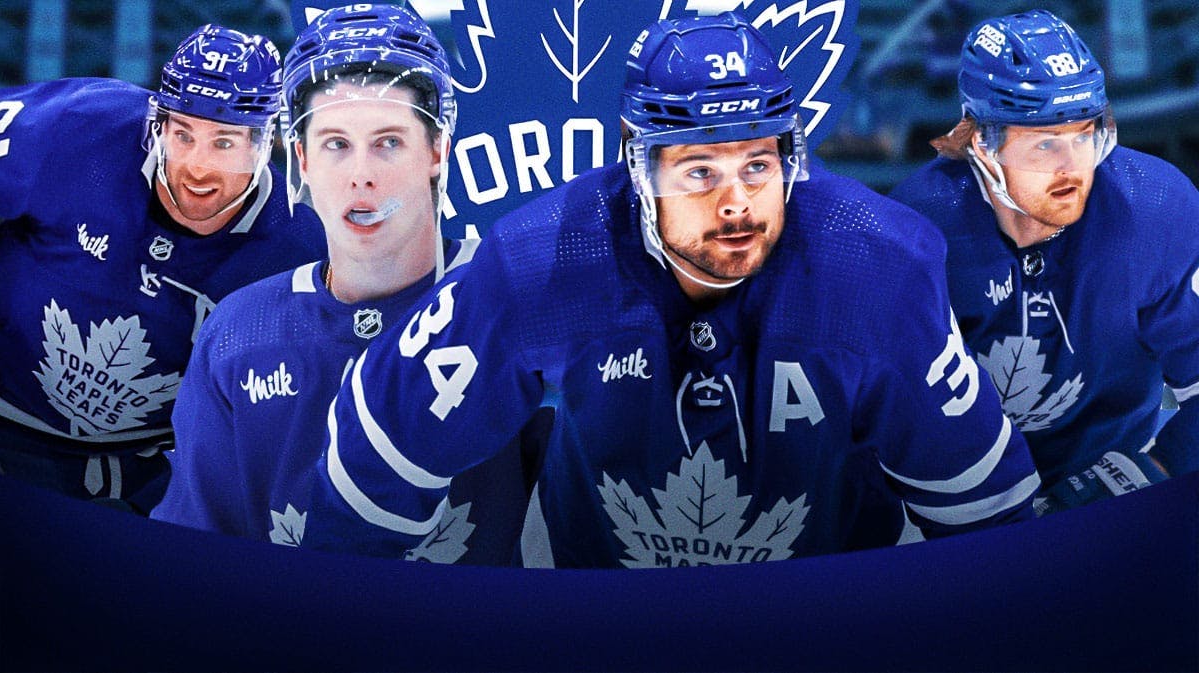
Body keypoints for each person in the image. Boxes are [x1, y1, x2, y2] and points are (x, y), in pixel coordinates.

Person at [303, 11, 1041, 567]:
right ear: (638, 165)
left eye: (757, 164)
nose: (736, 203)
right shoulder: (544, 258)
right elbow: (383, 451)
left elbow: (988, 517)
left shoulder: (879, 268)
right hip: (596, 615)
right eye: (699, 170)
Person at [152, 4, 540, 564]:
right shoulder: (238, 333)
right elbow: (193, 563)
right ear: (303, 159)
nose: (362, 173)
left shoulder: (523, 302)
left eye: (388, 142)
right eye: (337, 144)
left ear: (437, 151)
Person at [0, 25, 326, 514]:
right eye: (183, 134)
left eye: (225, 142)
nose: (197, 167)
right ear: (157, 124)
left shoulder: (308, 241)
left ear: (267, 143)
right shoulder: (77, 125)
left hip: (147, 478)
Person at [889, 9, 1199, 514]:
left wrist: (1152, 470)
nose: (1072, 167)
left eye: (1084, 136)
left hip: (1119, 472)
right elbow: (890, 415)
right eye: (1044, 144)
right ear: (980, 144)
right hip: (957, 494)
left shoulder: (1155, 208)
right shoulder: (917, 232)